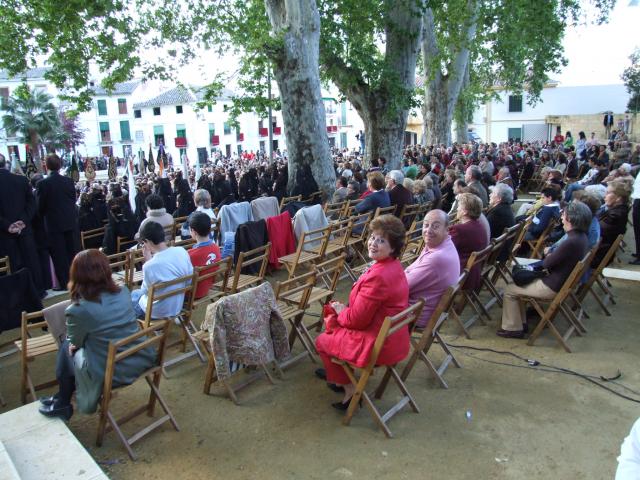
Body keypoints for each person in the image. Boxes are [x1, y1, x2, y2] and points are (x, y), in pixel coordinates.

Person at [38, 249, 155, 420]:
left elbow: (76, 343)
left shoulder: (77, 310)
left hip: (112, 370)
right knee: (70, 346)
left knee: (65, 347)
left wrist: (74, 343)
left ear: (76, 275)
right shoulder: (123, 292)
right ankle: (61, 399)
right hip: (140, 356)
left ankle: (62, 401)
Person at [314, 215, 409, 409]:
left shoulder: (379, 276)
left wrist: (341, 310)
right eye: (373, 237)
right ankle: (337, 372)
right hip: (393, 337)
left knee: (322, 340)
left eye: (381, 240)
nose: (374, 243)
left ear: (393, 248)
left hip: (377, 344)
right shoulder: (394, 266)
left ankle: (349, 389)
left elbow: (356, 321)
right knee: (334, 320)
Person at [498, 202, 591, 338]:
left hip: (552, 286)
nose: (561, 219)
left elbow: (547, 263)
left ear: (570, 219)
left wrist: (549, 254)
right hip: (561, 283)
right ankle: (520, 323)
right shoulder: (581, 237)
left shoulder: (571, 241)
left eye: (563, 216)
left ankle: (513, 328)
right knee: (518, 282)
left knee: (510, 289)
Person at [404, 210, 460, 328]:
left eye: (435, 226)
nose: (428, 230)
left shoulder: (437, 257)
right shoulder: (440, 244)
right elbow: (410, 269)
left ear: (447, 229)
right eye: (426, 225)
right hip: (420, 307)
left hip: (415, 314)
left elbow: (403, 286)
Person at [131, 221, 193, 319]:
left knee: (131, 298)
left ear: (147, 241)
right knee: (135, 294)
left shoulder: (149, 266)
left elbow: (145, 292)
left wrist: (148, 261)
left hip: (155, 312)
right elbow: (189, 281)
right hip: (177, 306)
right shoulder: (181, 251)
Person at [36, 153, 80, 290]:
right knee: (72, 253)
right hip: (70, 222)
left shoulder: (42, 184)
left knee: (59, 255)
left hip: (54, 225)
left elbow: (40, 207)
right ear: (60, 165)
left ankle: (64, 283)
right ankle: (77, 280)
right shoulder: (68, 181)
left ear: (46, 165)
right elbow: (73, 200)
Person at [449, 193, 490, 292]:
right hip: (473, 272)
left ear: (465, 212)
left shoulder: (460, 229)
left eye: (459, 206)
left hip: (461, 274)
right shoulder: (479, 226)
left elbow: (444, 248)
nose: (457, 209)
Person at [592, 180, 630, 268]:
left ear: (618, 198)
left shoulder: (615, 216)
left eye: (608, 193)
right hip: (596, 251)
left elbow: (592, 230)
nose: (605, 195)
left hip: (595, 256)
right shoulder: (617, 210)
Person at [187, 212, 221, 299]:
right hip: (207, 287)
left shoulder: (190, 254)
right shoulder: (216, 248)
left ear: (193, 231)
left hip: (192, 293)